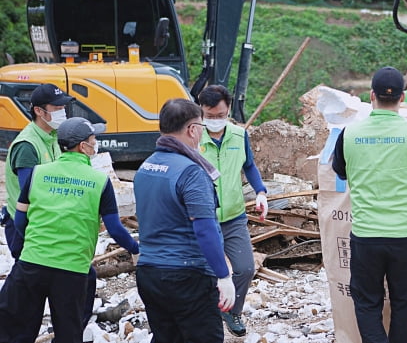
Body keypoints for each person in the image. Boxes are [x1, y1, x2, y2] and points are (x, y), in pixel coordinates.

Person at [0, 117, 139, 343]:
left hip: (32, 264)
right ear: (83, 146)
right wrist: (134, 248)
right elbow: (114, 228)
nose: (96, 144)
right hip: (71, 271)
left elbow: (20, 219)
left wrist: (36, 243)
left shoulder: (38, 174)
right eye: (94, 140)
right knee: (68, 333)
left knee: (15, 331)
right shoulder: (99, 181)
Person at [331, 66, 407, 343]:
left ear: (372, 96)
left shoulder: (348, 133)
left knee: (367, 303)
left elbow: (340, 171)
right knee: (404, 303)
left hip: (367, 236)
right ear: (402, 98)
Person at [133, 98, 236, 343]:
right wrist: (223, 276)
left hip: (149, 273)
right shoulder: (191, 172)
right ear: (192, 129)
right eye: (201, 125)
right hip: (186, 275)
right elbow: (205, 229)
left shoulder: (146, 167)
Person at [197, 84, 268, 337]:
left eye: (220, 115)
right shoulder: (194, 136)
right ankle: (206, 319)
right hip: (202, 219)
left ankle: (232, 310)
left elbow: (249, 165)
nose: (215, 121)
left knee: (245, 268)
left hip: (234, 216)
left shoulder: (239, 135)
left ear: (228, 111)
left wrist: (260, 192)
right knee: (206, 273)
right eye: (210, 115)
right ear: (201, 112)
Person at [2, 83, 74, 258]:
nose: (63, 111)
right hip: (28, 229)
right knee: (28, 283)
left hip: (47, 225)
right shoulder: (27, 145)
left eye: (63, 106)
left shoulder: (53, 136)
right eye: (57, 107)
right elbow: (30, 194)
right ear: (39, 111)